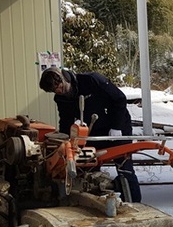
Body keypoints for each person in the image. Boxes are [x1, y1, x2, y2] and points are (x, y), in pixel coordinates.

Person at [39, 67, 142, 203]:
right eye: (54, 90)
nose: (58, 90)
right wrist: (64, 140)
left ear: (64, 77)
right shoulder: (61, 99)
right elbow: (65, 120)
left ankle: (134, 204)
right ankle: (91, 203)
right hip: (93, 132)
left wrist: (116, 127)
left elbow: (120, 99)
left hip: (117, 129)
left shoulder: (92, 80)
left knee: (124, 168)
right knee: (88, 170)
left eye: (59, 86)